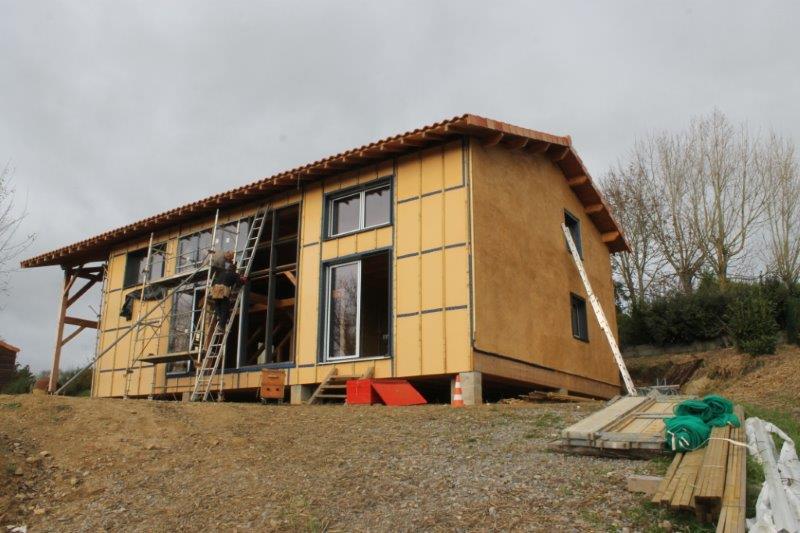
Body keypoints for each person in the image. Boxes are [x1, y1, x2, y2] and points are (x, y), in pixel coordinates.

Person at [208, 250, 245, 330]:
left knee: (217, 304)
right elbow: (239, 283)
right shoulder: (235, 274)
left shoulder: (222, 272)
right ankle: (221, 325)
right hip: (223, 289)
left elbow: (215, 274)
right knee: (225, 308)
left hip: (215, 288)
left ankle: (219, 316)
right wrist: (244, 280)